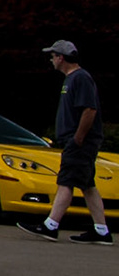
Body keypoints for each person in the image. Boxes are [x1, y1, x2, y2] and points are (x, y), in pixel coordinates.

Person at [17, 40, 111, 245]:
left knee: (66, 181)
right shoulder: (71, 79)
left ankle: (51, 225)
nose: (51, 60)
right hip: (77, 140)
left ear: (61, 57)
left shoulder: (80, 78)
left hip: (80, 141)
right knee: (87, 184)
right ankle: (101, 230)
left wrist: (78, 138)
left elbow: (89, 110)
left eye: (52, 56)